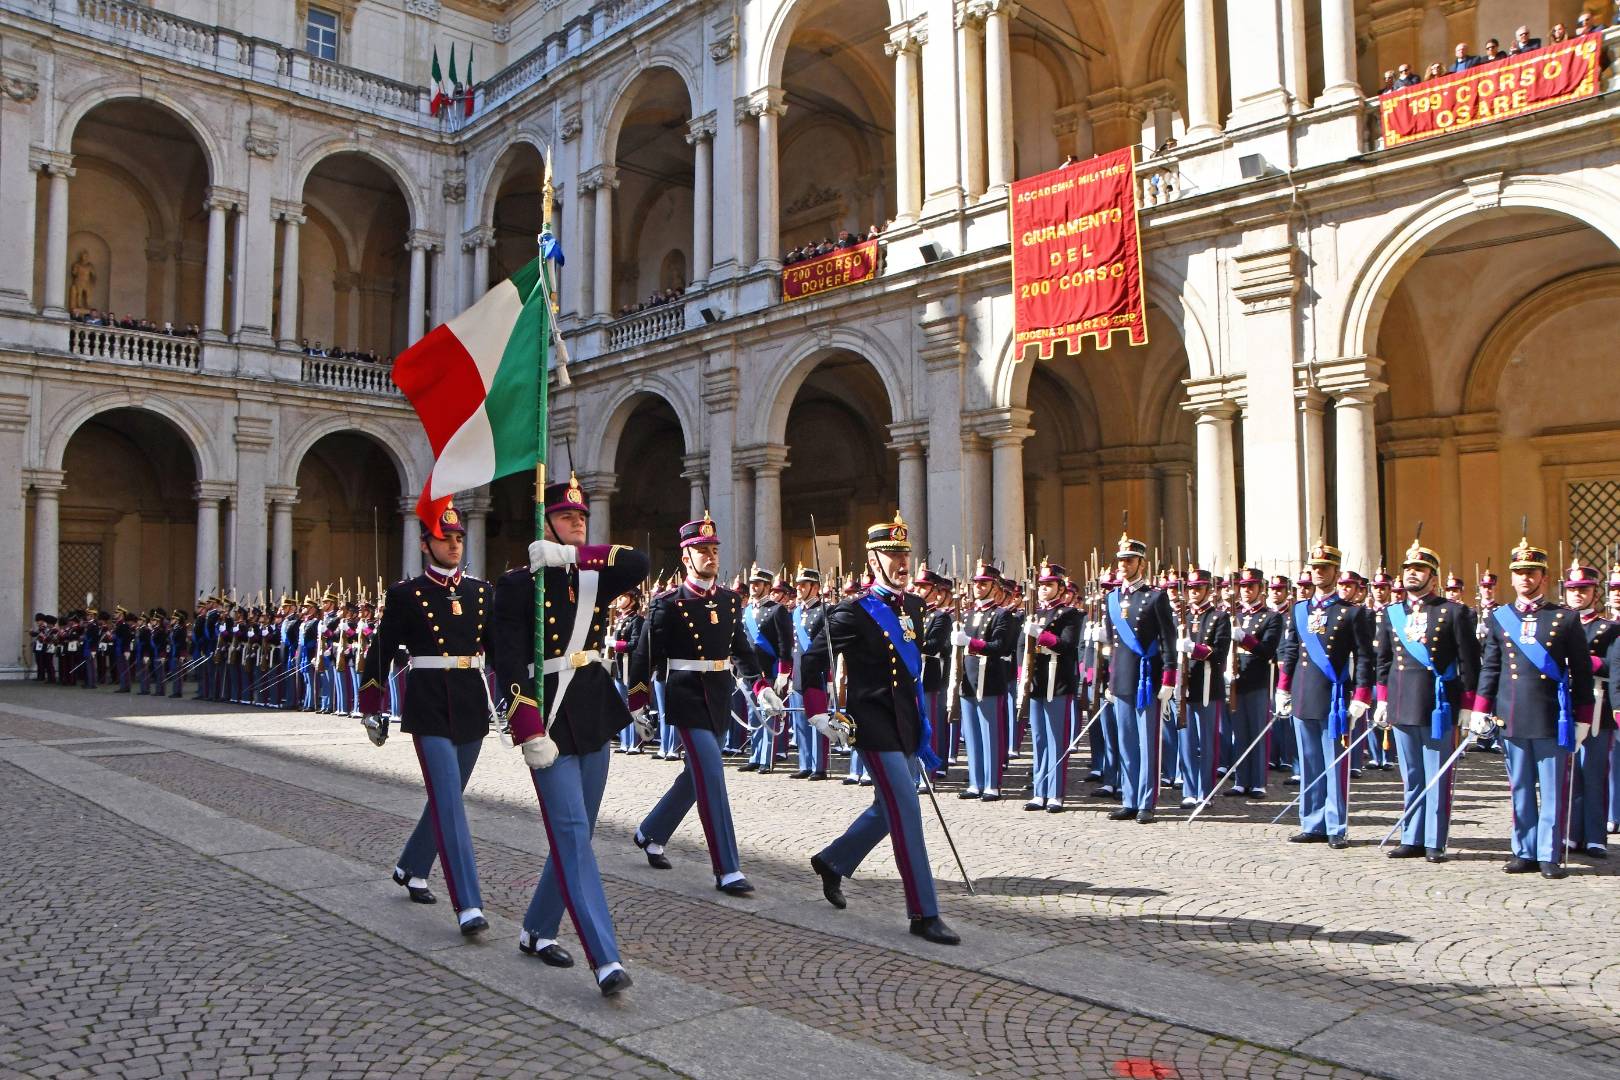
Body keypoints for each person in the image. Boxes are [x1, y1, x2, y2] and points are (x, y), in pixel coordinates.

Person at [491, 472, 649, 997]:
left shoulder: (593, 575)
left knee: (574, 834)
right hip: (550, 719)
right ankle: (605, 957)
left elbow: (639, 563)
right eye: (566, 517)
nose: (577, 523)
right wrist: (526, 724)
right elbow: (508, 659)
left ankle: (536, 929)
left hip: (594, 713)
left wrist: (573, 558)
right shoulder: (517, 586)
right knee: (574, 831)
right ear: (544, 526)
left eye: (582, 517)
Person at [802, 513, 960, 945]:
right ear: (873, 560)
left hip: (906, 720)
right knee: (907, 808)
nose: (901, 561)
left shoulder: (913, 606)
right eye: (892, 554)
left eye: (905, 552)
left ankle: (834, 861)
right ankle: (924, 912)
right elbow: (813, 660)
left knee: (889, 808)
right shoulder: (851, 612)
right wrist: (818, 711)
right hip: (871, 723)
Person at [357, 500, 494, 936]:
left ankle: (412, 866)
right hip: (429, 703)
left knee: (445, 797)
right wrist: (372, 707)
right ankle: (468, 903)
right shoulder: (405, 594)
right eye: (444, 538)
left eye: (458, 539)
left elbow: (500, 651)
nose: (453, 545)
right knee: (451, 803)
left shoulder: (480, 592)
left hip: (471, 701)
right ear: (425, 544)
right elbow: (380, 650)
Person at [627, 511, 764, 896]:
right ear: (686, 557)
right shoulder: (667, 603)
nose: (711, 556)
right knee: (712, 773)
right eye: (702, 550)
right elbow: (643, 655)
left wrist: (760, 687)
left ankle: (651, 831)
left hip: (718, 694)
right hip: (685, 694)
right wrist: (637, 701)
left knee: (695, 777)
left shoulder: (729, 600)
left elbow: (742, 650)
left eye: (714, 549)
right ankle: (727, 868)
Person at [1471, 534, 1594, 879]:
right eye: (1520, 572)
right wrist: (1481, 708)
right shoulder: (1501, 617)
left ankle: (1548, 853)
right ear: (1512, 577)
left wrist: (1583, 717)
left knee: (1552, 790)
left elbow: (1582, 671)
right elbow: (1491, 666)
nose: (1525, 578)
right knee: (1521, 787)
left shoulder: (1564, 618)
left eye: (1532, 572)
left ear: (1543, 576)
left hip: (1551, 717)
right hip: (1510, 715)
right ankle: (1522, 849)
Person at [1374, 537, 1480, 863]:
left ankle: (1435, 839)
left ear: (1433, 577)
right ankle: (1412, 836)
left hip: (1438, 704)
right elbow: (1384, 661)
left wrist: (1468, 705)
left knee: (1437, 774)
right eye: (1408, 569)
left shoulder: (1454, 612)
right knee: (1411, 775)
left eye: (1420, 569)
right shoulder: (1392, 614)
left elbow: (1468, 661)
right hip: (1403, 701)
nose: (1412, 574)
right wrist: (1382, 700)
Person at [1276, 540, 1375, 848]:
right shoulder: (1300, 609)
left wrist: (1361, 694)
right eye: (1314, 568)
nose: (1318, 573)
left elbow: (1364, 657)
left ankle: (1335, 825)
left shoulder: (1352, 613)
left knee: (1335, 763)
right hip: (1304, 692)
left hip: (1334, 696)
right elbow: (1291, 649)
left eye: (1324, 568)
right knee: (1308, 763)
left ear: (1335, 571)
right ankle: (1312, 821)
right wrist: (1283, 686)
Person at [1102, 533, 1178, 824]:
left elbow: (1168, 639)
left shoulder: (1155, 597)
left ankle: (1147, 801)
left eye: (1129, 560)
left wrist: (1169, 677)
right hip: (1122, 677)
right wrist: (1109, 680)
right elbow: (1111, 644)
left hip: (1148, 678)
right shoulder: (1112, 599)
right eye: (1121, 560)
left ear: (1141, 564)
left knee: (1147, 742)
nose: (1123, 565)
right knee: (1127, 741)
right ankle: (1129, 799)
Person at [1562, 561, 1616, 858]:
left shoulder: (1609, 628)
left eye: (1584, 589)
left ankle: (1595, 835)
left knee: (1594, 771)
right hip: (1564, 706)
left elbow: (1614, 666)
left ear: (1595, 592)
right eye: (1573, 590)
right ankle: (1570, 833)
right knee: (1568, 774)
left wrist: (1584, 662)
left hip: (1598, 706)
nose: (1578, 595)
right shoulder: (1557, 624)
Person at [1021, 560, 1082, 812]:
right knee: (1038, 738)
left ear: (1060, 587)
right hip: (1037, 680)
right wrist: (1022, 676)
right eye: (1042, 585)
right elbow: (1021, 648)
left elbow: (1067, 645)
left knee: (1056, 738)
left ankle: (1055, 793)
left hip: (1057, 681)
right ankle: (1039, 790)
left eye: (1049, 584)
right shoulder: (1034, 612)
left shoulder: (1069, 614)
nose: (1044, 588)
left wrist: (1041, 635)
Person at [955, 561, 1018, 800]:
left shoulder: (1002, 615)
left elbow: (999, 646)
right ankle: (975, 782)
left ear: (994, 587)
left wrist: (970, 643)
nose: (978, 587)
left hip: (990, 679)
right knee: (971, 733)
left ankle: (992, 784)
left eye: (984, 584)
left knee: (990, 734)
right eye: (976, 583)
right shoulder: (970, 614)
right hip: (969, 678)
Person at [1174, 567, 1231, 811]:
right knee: (1186, 741)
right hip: (1185, 686)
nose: (1194, 593)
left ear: (1208, 590)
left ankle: (1205, 790)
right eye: (1191, 588)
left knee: (1207, 741)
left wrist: (1194, 649)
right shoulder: (1181, 618)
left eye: (1199, 588)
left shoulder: (1219, 617)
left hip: (1208, 686)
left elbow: (1220, 653)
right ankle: (1189, 789)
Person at [789, 566, 831, 780]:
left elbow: (830, 648)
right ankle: (805, 763)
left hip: (817, 672)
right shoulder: (796, 612)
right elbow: (791, 646)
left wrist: (831, 678)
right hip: (798, 672)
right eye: (798, 585)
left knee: (818, 719)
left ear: (815, 587)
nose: (799, 588)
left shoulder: (825, 611)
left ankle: (819, 766)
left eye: (803, 585)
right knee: (800, 721)